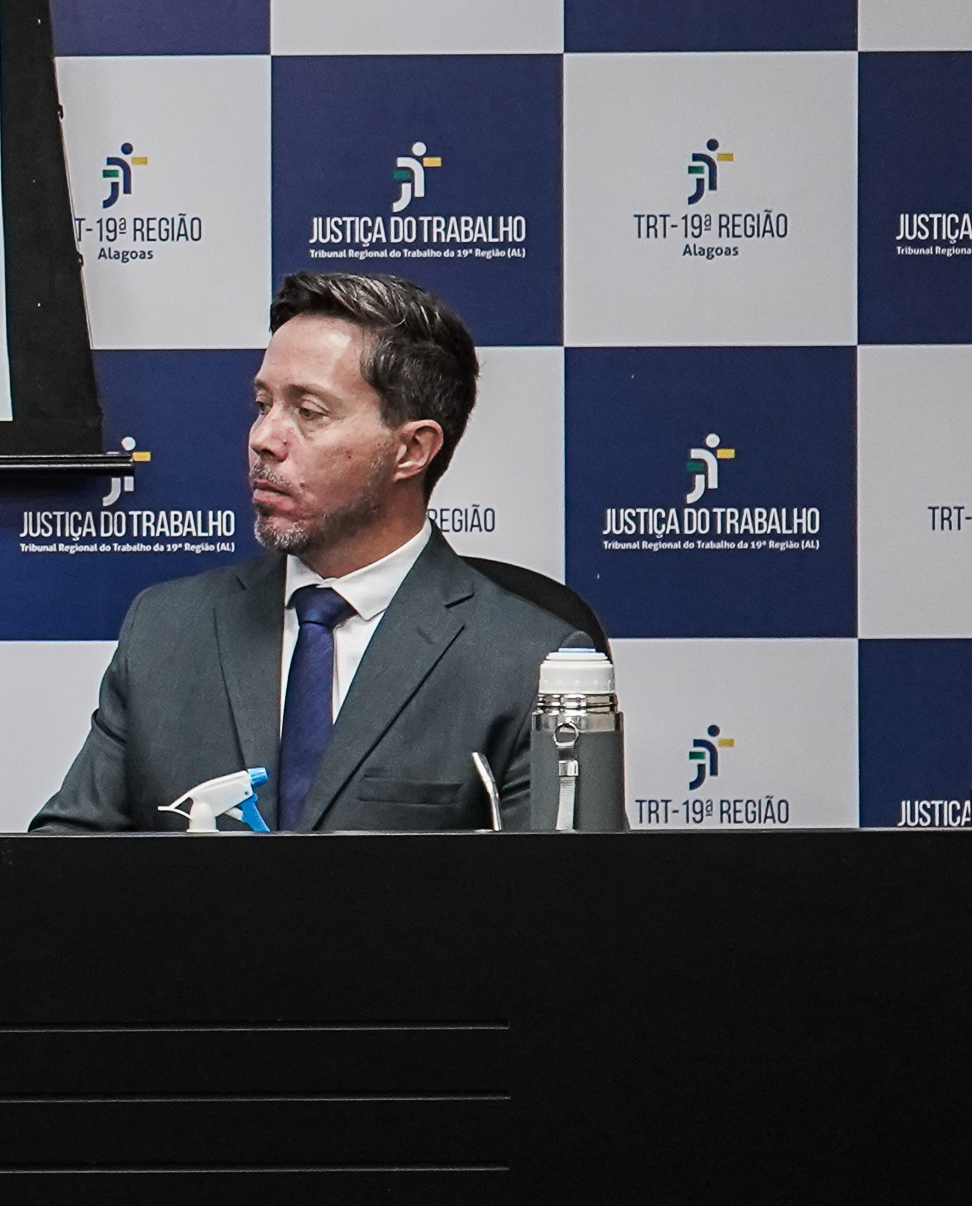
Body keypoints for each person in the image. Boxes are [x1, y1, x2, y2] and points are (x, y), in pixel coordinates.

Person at [33, 272, 619, 834]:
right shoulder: (168, 630)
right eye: (264, 405)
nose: (264, 438)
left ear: (411, 449)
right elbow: (66, 860)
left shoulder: (529, 660)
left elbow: (564, 905)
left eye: (308, 412)